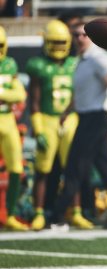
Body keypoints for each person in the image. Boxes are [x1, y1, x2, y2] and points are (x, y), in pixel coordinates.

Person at [50, 22, 107, 231]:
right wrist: (67, 112)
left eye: (84, 35)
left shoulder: (100, 58)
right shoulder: (83, 60)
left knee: (75, 166)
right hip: (87, 117)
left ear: (93, 37)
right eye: (77, 35)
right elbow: (82, 93)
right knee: (106, 169)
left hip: (97, 118)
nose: (80, 38)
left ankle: (57, 218)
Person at [26, 19, 93, 230]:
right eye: (53, 42)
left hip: (69, 117)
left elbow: (79, 94)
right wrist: (38, 129)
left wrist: (69, 112)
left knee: (73, 169)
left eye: (60, 42)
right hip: (47, 117)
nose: (57, 47)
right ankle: (38, 212)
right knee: (43, 168)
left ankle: (76, 211)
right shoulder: (38, 65)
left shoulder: (75, 63)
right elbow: (34, 102)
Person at [0, 25, 28, 231]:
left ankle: (10, 214)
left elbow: (19, 94)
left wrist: (2, 95)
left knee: (16, 167)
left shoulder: (9, 64)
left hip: (7, 120)